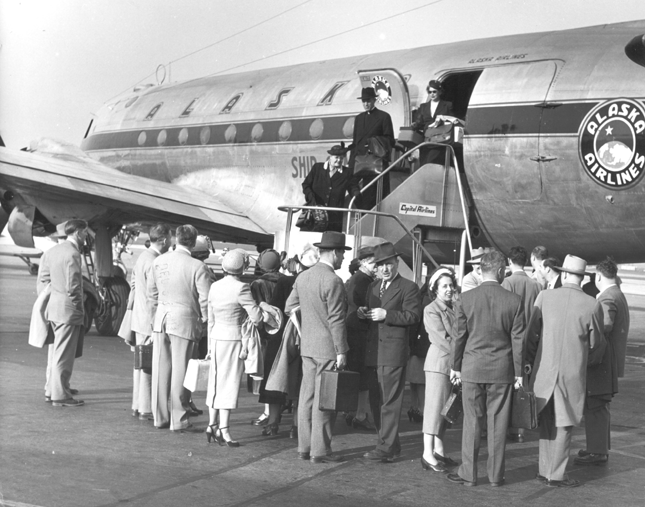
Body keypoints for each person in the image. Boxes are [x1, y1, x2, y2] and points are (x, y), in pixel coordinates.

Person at [525, 254, 606, 488]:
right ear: (582, 278)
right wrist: (584, 360)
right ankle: (557, 474)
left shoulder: (545, 296)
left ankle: (544, 469)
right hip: (572, 373)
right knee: (565, 423)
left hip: (544, 371)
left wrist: (530, 361)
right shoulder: (592, 304)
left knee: (547, 421)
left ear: (562, 273)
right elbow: (596, 344)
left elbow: (531, 335)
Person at [447, 250, 524, 487]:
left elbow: (459, 336)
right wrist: (519, 373)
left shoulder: (466, 299)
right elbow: (518, 341)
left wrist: (455, 366)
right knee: (498, 424)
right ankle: (495, 476)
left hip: (471, 368)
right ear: (501, 271)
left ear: (481, 269)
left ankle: (468, 474)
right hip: (502, 371)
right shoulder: (514, 301)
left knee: (472, 422)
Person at [285, 231, 351, 463]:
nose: (343, 258)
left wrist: (306, 328)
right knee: (326, 400)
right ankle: (320, 451)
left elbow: (289, 307)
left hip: (308, 347)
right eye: (342, 253)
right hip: (327, 349)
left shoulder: (303, 277)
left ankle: (304, 447)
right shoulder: (333, 280)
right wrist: (341, 350)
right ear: (334, 253)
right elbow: (336, 319)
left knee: (307, 398)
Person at [359, 242, 421, 463]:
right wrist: (362, 313)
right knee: (377, 401)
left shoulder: (408, 287)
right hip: (374, 352)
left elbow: (413, 316)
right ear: (375, 267)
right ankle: (390, 444)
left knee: (389, 402)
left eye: (389, 264)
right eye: (381, 265)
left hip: (393, 353)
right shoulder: (373, 287)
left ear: (397, 263)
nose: (385, 268)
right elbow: (372, 316)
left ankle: (385, 447)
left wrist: (388, 314)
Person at [148, 224, 211, 431]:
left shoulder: (158, 261)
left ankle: (160, 417)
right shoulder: (197, 266)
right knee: (180, 371)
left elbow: (152, 295)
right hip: (184, 321)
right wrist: (204, 322)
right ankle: (179, 419)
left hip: (161, 320)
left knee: (160, 369)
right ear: (193, 242)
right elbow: (205, 300)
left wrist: (153, 320)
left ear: (175, 238)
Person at [205, 249, 263, 447]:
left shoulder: (214, 287)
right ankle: (224, 429)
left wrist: (209, 347)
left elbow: (210, 319)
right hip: (233, 339)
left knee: (215, 383)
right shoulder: (242, 288)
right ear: (243, 268)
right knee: (228, 384)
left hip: (216, 337)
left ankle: (212, 424)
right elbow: (256, 317)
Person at [575, 257, 629, 466]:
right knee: (600, 406)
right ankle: (598, 448)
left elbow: (603, 327)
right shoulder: (617, 294)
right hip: (610, 360)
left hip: (602, 360)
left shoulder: (607, 298)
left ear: (598, 276)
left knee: (595, 405)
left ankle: (597, 451)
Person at [266, 244, 320, 440]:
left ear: (298, 263)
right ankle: (296, 426)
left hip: (282, 337)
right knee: (300, 381)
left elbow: (276, 310)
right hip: (308, 337)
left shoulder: (285, 282)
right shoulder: (318, 282)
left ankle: (272, 422)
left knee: (277, 377)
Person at [37, 219, 88, 407]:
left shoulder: (52, 252)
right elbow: (74, 286)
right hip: (68, 311)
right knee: (64, 355)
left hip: (54, 309)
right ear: (78, 232)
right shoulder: (73, 253)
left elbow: (43, 279)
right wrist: (78, 306)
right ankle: (60, 395)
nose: (86, 236)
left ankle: (53, 390)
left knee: (57, 352)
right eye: (85, 232)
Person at [129, 223, 172, 420]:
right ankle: (146, 407)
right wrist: (156, 325)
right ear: (163, 240)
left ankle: (138, 404)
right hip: (148, 321)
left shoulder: (143, 257)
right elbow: (153, 297)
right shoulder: (155, 262)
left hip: (139, 318)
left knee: (140, 364)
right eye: (169, 239)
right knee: (148, 364)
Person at [421, 267, 459, 473]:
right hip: (439, 365)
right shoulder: (431, 309)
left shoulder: (451, 308)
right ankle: (427, 454)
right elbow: (441, 339)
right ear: (435, 288)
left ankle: (439, 451)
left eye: (451, 285)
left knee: (445, 411)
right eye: (444, 286)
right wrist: (458, 360)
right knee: (434, 410)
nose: (449, 289)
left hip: (449, 366)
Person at [501, 245, 542, 442]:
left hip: (511, 339)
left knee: (508, 382)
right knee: (524, 383)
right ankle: (521, 428)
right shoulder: (535, 285)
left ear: (510, 261)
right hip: (529, 340)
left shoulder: (507, 283)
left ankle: (509, 426)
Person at [250, 248, 286, 430]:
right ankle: (276, 416)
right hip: (284, 333)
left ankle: (270, 416)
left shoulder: (257, 284)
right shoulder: (287, 280)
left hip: (265, 335)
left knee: (267, 376)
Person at [344, 245, 378, 430]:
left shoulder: (355, 279)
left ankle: (354, 411)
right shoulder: (364, 281)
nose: (377, 267)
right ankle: (361, 414)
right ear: (364, 262)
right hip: (361, 332)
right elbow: (364, 305)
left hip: (353, 330)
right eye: (374, 263)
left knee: (357, 373)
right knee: (363, 375)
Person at [349, 87, 395, 211]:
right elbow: (356, 141)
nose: (366, 104)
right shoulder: (359, 118)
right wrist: (351, 163)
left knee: (375, 195)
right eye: (363, 101)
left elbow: (389, 139)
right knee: (356, 191)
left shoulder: (384, 117)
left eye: (368, 100)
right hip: (360, 162)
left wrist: (372, 142)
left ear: (374, 100)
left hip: (376, 162)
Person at [302, 144, 358, 232]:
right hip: (314, 215)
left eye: (341, 158)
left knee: (331, 243)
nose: (339, 160)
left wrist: (356, 193)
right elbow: (306, 185)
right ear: (330, 157)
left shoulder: (346, 173)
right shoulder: (317, 168)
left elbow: (353, 187)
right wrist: (312, 200)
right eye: (336, 157)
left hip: (334, 219)